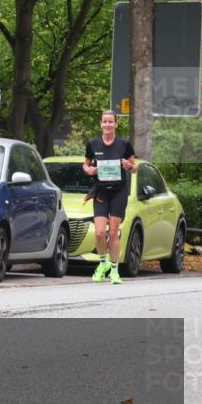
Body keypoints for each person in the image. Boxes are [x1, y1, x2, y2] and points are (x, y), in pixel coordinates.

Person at [83, 110, 137, 284]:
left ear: (115, 124)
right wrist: (88, 170)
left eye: (110, 122)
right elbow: (86, 165)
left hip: (119, 191)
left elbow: (135, 167)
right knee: (99, 233)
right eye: (104, 122)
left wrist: (129, 165)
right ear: (101, 124)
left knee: (113, 232)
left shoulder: (124, 144)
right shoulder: (93, 144)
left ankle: (114, 271)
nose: (107, 125)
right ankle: (103, 263)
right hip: (101, 192)